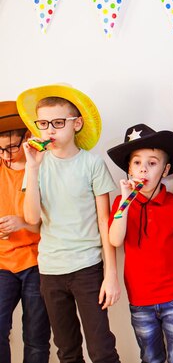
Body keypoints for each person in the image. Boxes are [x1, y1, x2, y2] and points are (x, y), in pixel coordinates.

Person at [18, 84, 121, 363]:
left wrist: (111, 275)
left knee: (101, 350)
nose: (50, 130)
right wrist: (33, 166)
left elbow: (104, 221)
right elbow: (32, 218)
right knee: (67, 350)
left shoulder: (92, 164)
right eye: (43, 124)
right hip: (50, 270)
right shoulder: (36, 165)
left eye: (58, 122)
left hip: (87, 267)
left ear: (76, 124)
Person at [107, 123, 173, 362]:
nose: (144, 170)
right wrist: (124, 203)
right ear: (129, 170)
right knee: (151, 358)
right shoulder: (122, 206)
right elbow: (114, 239)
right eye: (137, 163)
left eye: (152, 163)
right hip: (140, 300)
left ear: (165, 169)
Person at [0, 100, 50, 363]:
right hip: (2, 263)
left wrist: (23, 222)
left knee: (36, 336)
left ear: (27, 136)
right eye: (0, 148)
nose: (6, 155)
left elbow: (54, 222)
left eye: (11, 147)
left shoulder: (41, 168)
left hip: (37, 261)